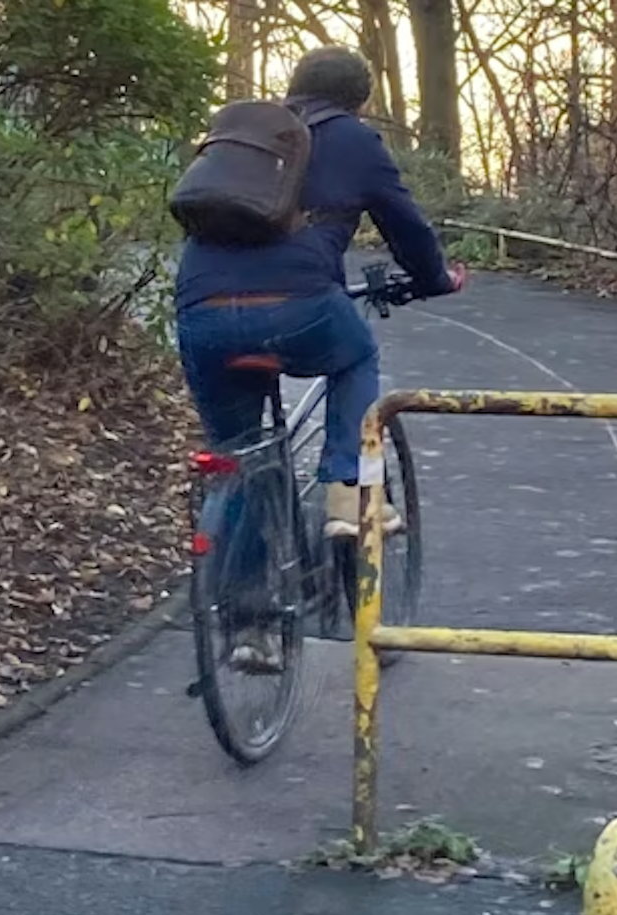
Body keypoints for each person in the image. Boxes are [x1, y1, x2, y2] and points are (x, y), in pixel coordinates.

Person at [175, 46, 465, 670]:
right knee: (355, 355)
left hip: (200, 314)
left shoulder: (248, 137)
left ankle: (251, 628)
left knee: (242, 460)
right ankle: (348, 488)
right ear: (358, 100)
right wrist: (436, 278)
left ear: (293, 86)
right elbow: (406, 228)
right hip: (299, 307)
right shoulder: (354, 140)